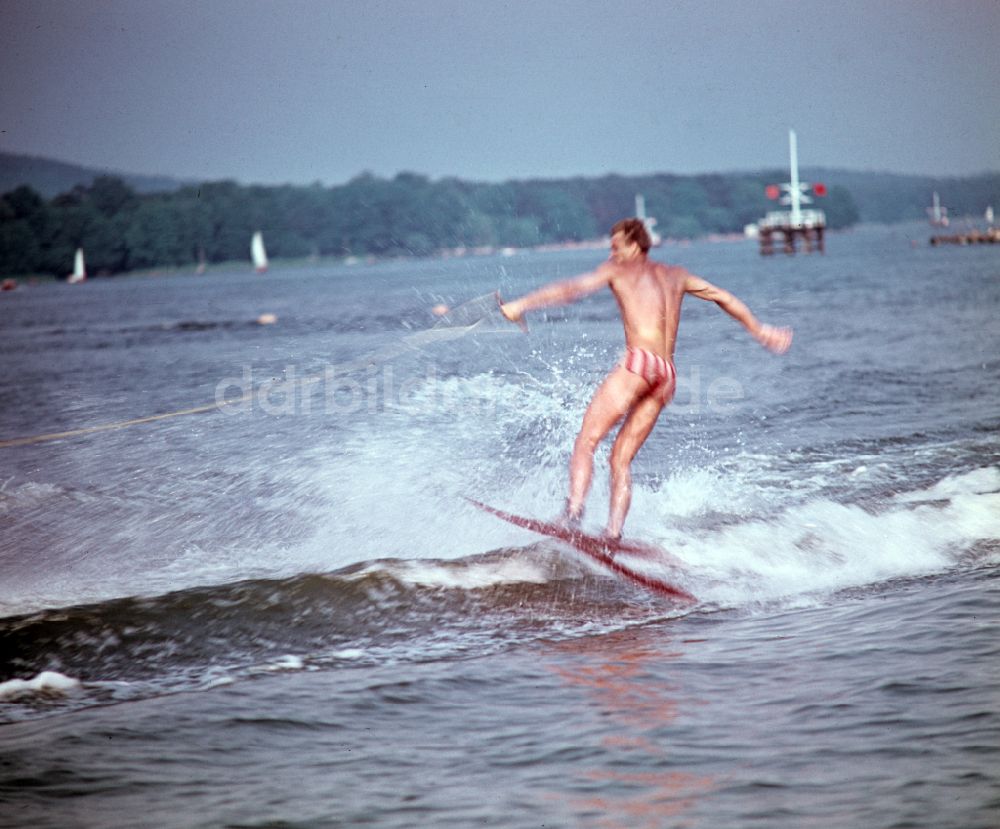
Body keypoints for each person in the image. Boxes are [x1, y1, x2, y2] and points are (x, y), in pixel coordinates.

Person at [499, 217, 792, 539]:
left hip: (638, 364)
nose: (611, 254)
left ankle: (572, 513)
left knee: (586, 441)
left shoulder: (620, 271)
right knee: (620, 459)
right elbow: (723, 297)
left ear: (636, 244)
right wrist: (759, 329)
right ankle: (613, 534)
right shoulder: (677, 276)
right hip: (666, 375)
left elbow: (571, 290)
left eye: (616, 247)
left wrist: (520, 305)